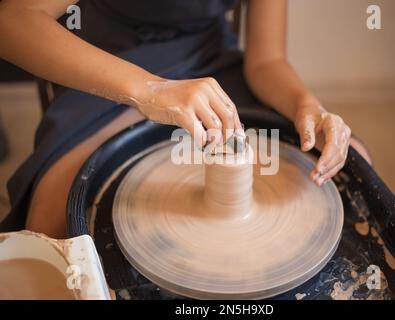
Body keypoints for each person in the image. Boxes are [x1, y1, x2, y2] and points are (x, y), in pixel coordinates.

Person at [0, 0, 369, 238]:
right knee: (55, 221)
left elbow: (266, 60)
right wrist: (151, 91)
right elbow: (12, 20)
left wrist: (307, 106)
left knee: (352, 163)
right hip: (106, 66)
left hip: (209, 61)